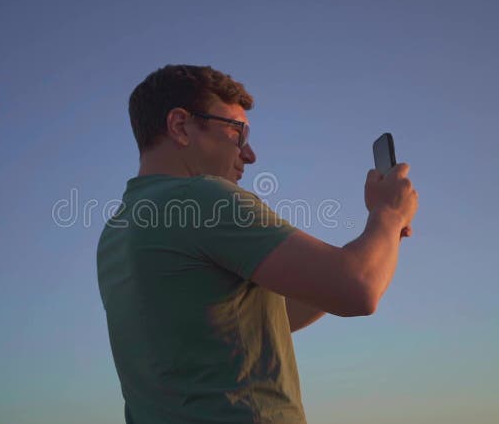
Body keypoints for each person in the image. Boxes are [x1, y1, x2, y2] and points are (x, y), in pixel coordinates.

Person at [96, 64, 419, 423]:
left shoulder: (120, 229)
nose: (249, 155)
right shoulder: (202, 197)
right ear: (180, 126)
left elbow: (263, 320)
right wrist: (388, 214)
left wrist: (370, 246)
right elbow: (358, 287)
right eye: (238, 133)